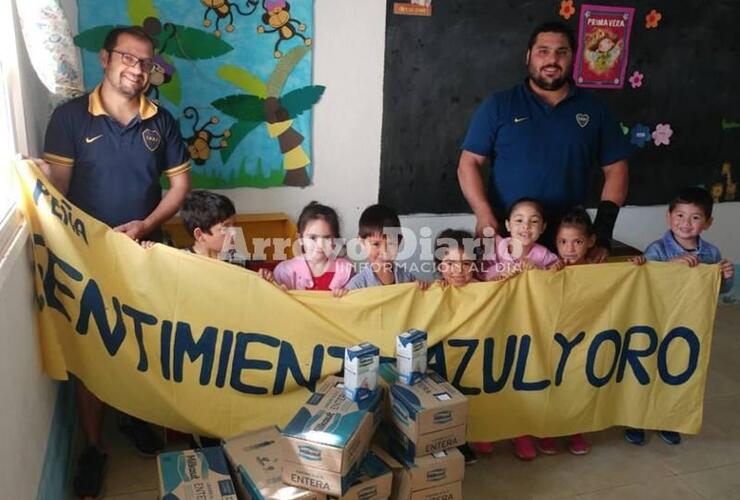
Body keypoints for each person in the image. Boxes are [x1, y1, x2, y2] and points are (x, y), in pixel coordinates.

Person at [41, 26, 191, 499]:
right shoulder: (68, 119)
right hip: (86, 260)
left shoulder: (160, 122)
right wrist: (34, 178)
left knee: (143, 343)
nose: (137, 69)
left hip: (145, 252)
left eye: (146, 63)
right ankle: (93, 447)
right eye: (128, 57)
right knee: (92, 352)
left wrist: (144, 226)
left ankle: (134, 420)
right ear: (105, 59)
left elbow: (181, 190)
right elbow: (59, 188)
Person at [457, 21, 630, 261]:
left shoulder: (595, 109)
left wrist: (602, 232)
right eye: (543, 51)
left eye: (562, 52)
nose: (552, 60)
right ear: (528, 56)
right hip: (506, 235)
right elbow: (469, 163)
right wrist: (484, 215)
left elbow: (616, 168)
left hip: (567, 239)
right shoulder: (499, 105)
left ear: (573, 57)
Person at [625, 187, 735, 446]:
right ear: (669, 218)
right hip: (655, 321)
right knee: (645, 369)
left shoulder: (711, 254)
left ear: (708, 222)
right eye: (680, 215)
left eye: (695, 217)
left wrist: (727, 277)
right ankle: (636, 419)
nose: (686, 223)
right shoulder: (657, 249)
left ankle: (669, 418)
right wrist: (671, 267)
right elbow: (646, 281)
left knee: (677, 370)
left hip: (687, 326)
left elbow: (719, 290)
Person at [433, 228, 482, 465]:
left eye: (466, 263)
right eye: (450, 263)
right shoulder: (433, 291)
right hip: (446, 361)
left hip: (477, 358)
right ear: (438, 265)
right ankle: (449, 442)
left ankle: (470, 438)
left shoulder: (488, 290)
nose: (458, 271)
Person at [272, 202, 354, 292]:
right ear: (300, 239)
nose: (320, 245)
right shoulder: (285, 271)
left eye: (327, 238)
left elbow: (354, 300)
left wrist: (346, 293)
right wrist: (267, 280)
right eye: (312, 238)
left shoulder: (345, 270)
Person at [345, 204, 428, 290]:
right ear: (362, 243)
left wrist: (421, 287)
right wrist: (339, 295)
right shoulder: (357, 285)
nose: (384, 252)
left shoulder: (407, 278)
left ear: (399, 242)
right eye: (376, 244)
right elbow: (344, 302)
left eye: (391, 243)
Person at [479, 198, 559, 281]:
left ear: (543, 227)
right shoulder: (494, 247)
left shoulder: (544, 255)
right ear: (508, 225)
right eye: (519, 220)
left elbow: (555, 274)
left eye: (534, 221)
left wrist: (538, 268)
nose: (526, 226)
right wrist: (499, 272)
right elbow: (479, 272)